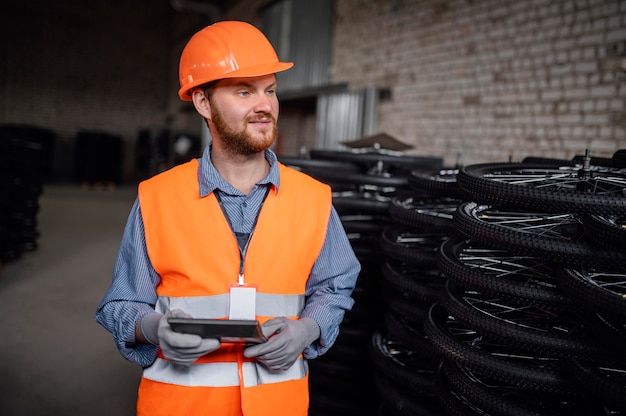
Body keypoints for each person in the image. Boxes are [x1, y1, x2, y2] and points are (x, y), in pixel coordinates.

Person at [95, 20, 360, 416]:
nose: (265, 105)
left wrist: (309, 328)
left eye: (270, 90)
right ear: (203, 102)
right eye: (244, 91)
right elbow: (121, 304)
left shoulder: (313, 198)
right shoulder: (157, 197)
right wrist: (154, 329)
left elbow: (335, 287)